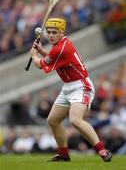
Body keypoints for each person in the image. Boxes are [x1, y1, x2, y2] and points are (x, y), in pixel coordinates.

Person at [29, 17, 112, 162]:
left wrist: (34, 55)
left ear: (62, 32)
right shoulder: (59, 45)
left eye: (54, 32)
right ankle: (63, 154)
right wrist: (41, 50)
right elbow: (52, 58)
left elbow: (41, 65)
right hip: (68, 86)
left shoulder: (61, 47)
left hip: (81, 86)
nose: (51, 35)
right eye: (48, 32)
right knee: (53, 120)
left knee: (75, 120)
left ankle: (102, 150)